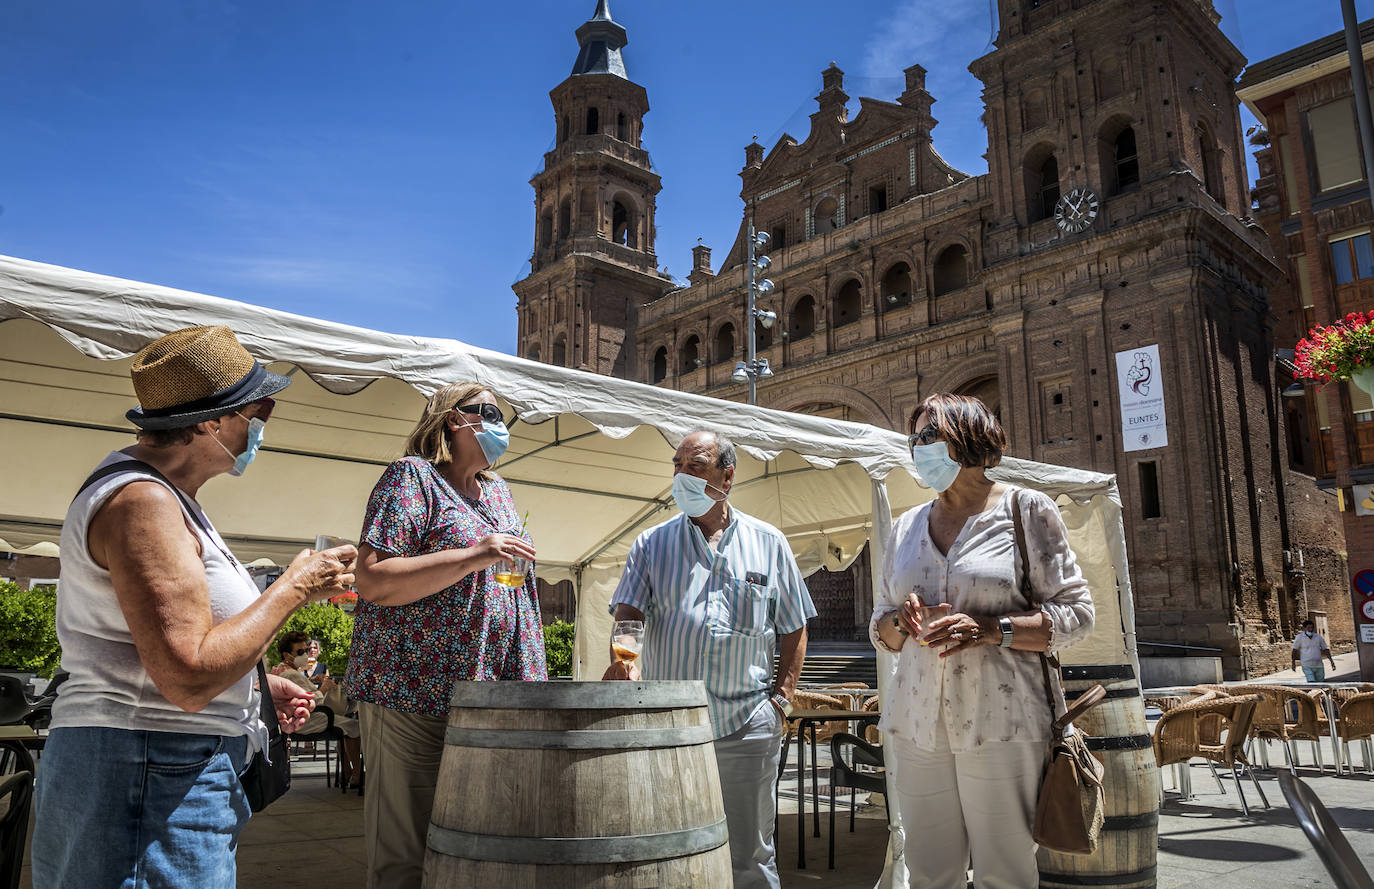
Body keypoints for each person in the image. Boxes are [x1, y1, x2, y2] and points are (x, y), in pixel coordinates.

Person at [31, 325, 358, 889]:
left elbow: (166, 649)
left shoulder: (165, 498)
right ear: (211, 421)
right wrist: (295, 587)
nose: (264, 425)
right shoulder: (144, 503)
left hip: (156, 764)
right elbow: (185, 676)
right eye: (260, 410)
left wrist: (253, 684)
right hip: (149, 768)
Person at [869, 394, 1094, 889]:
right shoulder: (905, 527)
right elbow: (879, 628)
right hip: (917, 723)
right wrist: (903, 623)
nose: (917, 447)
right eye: (914, 439)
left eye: (929, 436)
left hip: (1004, 722)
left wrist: (993, 629)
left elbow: (1078, 614)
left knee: (1005, 874)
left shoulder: (1025, 509)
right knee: (928, 873)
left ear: (970, 439)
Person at [348, 381, 545, 889]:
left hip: (486, 698)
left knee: (477, 850)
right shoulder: (412, 478)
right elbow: (372, 580)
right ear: (454, 420)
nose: (502, 427)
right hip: (412, 692)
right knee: (405, 857)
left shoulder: (496, 489)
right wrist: (476, 554)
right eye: (490, 414)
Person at [603, 429, 815, 889]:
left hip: (745, 722)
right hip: (669, 724)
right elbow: (629, 615)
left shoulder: (768, 542)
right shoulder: (651, 544)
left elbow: (794, 625)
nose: (681, 475)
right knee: (666, 844)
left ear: (727, 476)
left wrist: (782, 701)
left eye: (694, 466)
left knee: (751, 855)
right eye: (676, 466)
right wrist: (626, 657)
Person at [275, 631, 363, 788]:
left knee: (344, 725)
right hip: (310, 719)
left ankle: (348, 773)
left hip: (303, 718)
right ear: (287, 655)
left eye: (306, 651)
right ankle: (356, 773)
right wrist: (324, 687)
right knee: (353, 726)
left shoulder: (283, 671)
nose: (305, 654)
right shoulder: (290, 674)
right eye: (300, 652)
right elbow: (310, 698)